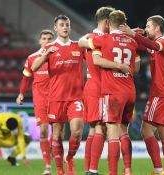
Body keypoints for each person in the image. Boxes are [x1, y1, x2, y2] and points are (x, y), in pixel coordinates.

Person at [84, 10, 140, 175]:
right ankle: (128, 169)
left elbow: (92, 54)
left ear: (109, 23)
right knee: (124, 130)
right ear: (124, 23)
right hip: (130, 90)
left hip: (113, 91)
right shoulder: (132, 41)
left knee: (112, 132)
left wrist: (116, 65)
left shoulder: (103, 39)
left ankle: (112, 172)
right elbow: (136, 68)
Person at [120, 15, 164, 175]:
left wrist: (133, 34)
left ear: (157, 28)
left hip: (160, 94)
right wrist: (130, 35)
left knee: (146, 130)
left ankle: (158, 170)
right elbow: (142, 45)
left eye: (148, 26)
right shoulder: (158, 44)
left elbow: (151, 45)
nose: (146, 28)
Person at [31, 15, 85, 175]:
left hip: (75, 97)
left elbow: (94, 60)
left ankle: (69, 158)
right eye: (61, 25)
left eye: (67, 24)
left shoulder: (78, 46)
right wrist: (46, 54)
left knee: (77, 131)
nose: (65, 27)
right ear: (56, 28)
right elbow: (34, 67)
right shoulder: (50, 48)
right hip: (56, 98)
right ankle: (60, 170)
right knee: (58, 134)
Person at [81, 6, 115, 175]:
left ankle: (88, 169)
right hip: (100, 87)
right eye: (113, 22)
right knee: (101, 128)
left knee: (94, 130)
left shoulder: (90, 38)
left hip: (90, 86)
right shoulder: (101, 39)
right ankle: (93, 170)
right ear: (107, 21)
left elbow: (81, 43)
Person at [16, 29, 54, 175]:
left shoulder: (58, 56)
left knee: (57, 133)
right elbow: (26, 78)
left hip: (57, 97)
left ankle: (55, 152)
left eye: (50, 38)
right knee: (44, 131)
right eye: (44, 38)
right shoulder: (32, 58)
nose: (47, 41)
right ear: (40, 41)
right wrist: (21, 94)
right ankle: (47, 167)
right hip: (40, 98)